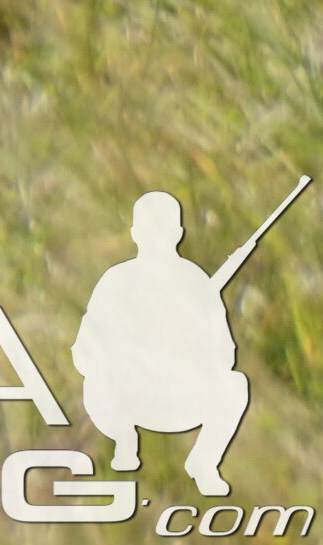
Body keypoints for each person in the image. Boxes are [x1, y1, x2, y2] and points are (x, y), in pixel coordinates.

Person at [77, 190, 253, 498]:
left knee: (235, 385)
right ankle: (124, 440)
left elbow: (225, 355)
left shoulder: (196, 283)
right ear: (135, 234)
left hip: (178, 399)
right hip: (124, 399)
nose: (157, 237)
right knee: (100, 379)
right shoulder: (116, 281)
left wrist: (189, 347)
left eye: (162, 228)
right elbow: (84, 351)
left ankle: (204, 462)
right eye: (151, 229)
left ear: (178, 234)